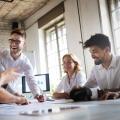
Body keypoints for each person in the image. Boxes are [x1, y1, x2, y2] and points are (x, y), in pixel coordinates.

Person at [0, 29, 44, 102]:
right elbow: (2, 78)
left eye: (17, 42)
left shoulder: (25, 62)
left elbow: (31, 79)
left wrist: (37, 94)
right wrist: (15, 94)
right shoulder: (1, 54)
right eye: (11, 40)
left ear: (24, 44)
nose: (13, 44)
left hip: (9, 98)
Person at [75, 33, 120, 100]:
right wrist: (79, 90)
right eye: (91, 52)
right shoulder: (95, 69)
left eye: (94, 51)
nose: (92, 56)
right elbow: (88, 87)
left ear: (107, 50)